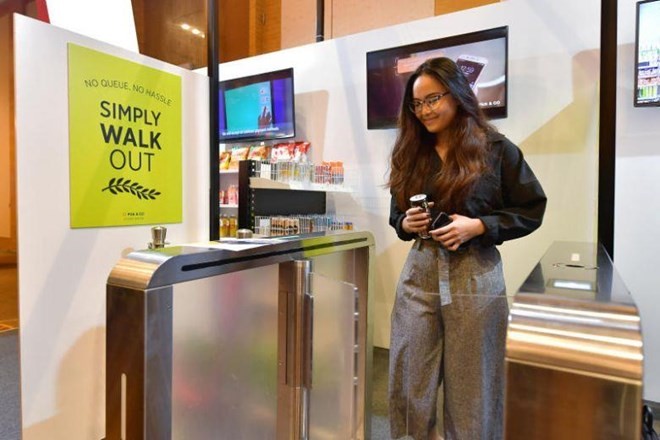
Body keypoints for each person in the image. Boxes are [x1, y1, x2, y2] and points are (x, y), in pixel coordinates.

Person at [386, 57, 546, 440]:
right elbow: (397, 213)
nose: (424, 110)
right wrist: (406, 223)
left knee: (474, 389)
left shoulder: (496, 150)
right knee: (409, 381)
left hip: (475, 276)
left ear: (457, 95)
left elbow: (531, 209)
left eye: (433, 99)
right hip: (419, 276)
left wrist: (478, 226)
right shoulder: (410, 151)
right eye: (417, 103)